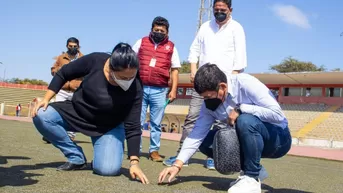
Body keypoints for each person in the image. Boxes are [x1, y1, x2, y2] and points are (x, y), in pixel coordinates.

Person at [158, 64, 292, 193]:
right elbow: (196, 135)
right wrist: (177, 165)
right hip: (250, 141)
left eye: (208, 96)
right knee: (206, 141)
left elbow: (278, 115)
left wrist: (242, 109)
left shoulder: (245, 83)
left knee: (245, 120)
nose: (206, 100)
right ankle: (254, 168)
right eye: (203, 97)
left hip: (278, 140)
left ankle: (251, 178)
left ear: (222, 86)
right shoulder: (208, 105)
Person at [32, 43, 149, 183]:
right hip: (77, 112)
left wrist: (134, 163)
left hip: (108, 127)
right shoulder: (96, 60)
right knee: (41, 114)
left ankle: (102, 157)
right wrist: (46, 99)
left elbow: (133, 125)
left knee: (108, 169)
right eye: (123, 78)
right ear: (111, 69)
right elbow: (63, 73)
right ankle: (76, 156)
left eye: (132, 76)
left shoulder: (135, 87)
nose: (128, 81)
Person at [163, 0, 247, 170]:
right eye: (216, 9)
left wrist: (231, 84)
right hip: (202, 83)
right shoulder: (205, 27)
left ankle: (214, 156)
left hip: (222, 86)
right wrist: (194, 71)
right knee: (192, 117)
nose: (219, 12)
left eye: (223, 10)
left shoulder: (236, 28)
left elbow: (240, 59)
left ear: (230, 10)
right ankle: (182, 155)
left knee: (222, 121)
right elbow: (194, 51)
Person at [132, 16, 181, 162]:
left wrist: (173, 90)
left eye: (162, 30)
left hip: (160, 90)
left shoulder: (171, 47)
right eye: (156, 30)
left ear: (167, 33)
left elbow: (175, 70)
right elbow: (130, 58)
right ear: (151, 30)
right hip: (140, 87)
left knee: (156, 123)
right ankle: (136, 150)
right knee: (137, 121)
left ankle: (154, 151)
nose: (158, 32)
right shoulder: (141, 42)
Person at [48, 37, 84, 142]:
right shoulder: (61, 58)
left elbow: (88, 73)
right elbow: (53, 70)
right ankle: (55, 134)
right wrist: (60, 70)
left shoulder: (83, 58)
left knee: (74, 113)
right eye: (70, 46)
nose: (72, 48)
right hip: (62, 90)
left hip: (76, 91)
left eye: (75, 46)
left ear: (78, 46)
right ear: (67, 46)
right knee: (56, 112)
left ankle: (71, 135)